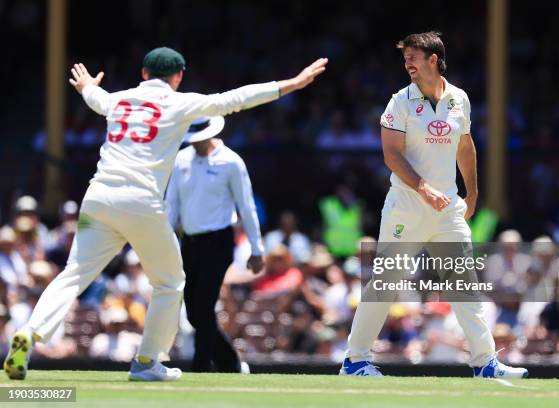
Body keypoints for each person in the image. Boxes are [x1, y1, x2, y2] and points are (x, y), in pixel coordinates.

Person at [4, 46, 327, 381]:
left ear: (144, 73)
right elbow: (236, 99)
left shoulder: (118, 100)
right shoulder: (179, 102)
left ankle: (30, 332)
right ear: (178, 77)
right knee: (171, 283)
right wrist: (292, 83)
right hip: (141, 201)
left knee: (74, 273)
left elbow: (94, 99)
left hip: (97, 198)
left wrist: (87, 85)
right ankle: (146, 362)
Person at [340, 32, 527, 378]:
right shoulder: (399, 102)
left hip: (447, 209)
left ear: (434, 60)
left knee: (464, 283)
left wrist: (471, 194)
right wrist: (424, 189)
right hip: (406, 207)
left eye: (414, 56)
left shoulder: (459, 98)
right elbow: (391, 155)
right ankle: (354, 360)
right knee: (385, 282)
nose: (408, 63)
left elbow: (465, 147)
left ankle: (485, 363)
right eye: (405, 58)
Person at [165, 115, 264, 373]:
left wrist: (256, 249)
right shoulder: (181, 159)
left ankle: (200, 368)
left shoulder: (231, 161)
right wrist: (164, 243)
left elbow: (246, 206)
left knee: (204, 306)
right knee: (193, 314)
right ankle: (230, 363)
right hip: (190, 242)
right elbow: (171, 205)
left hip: (218, 242)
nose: (196, 144)